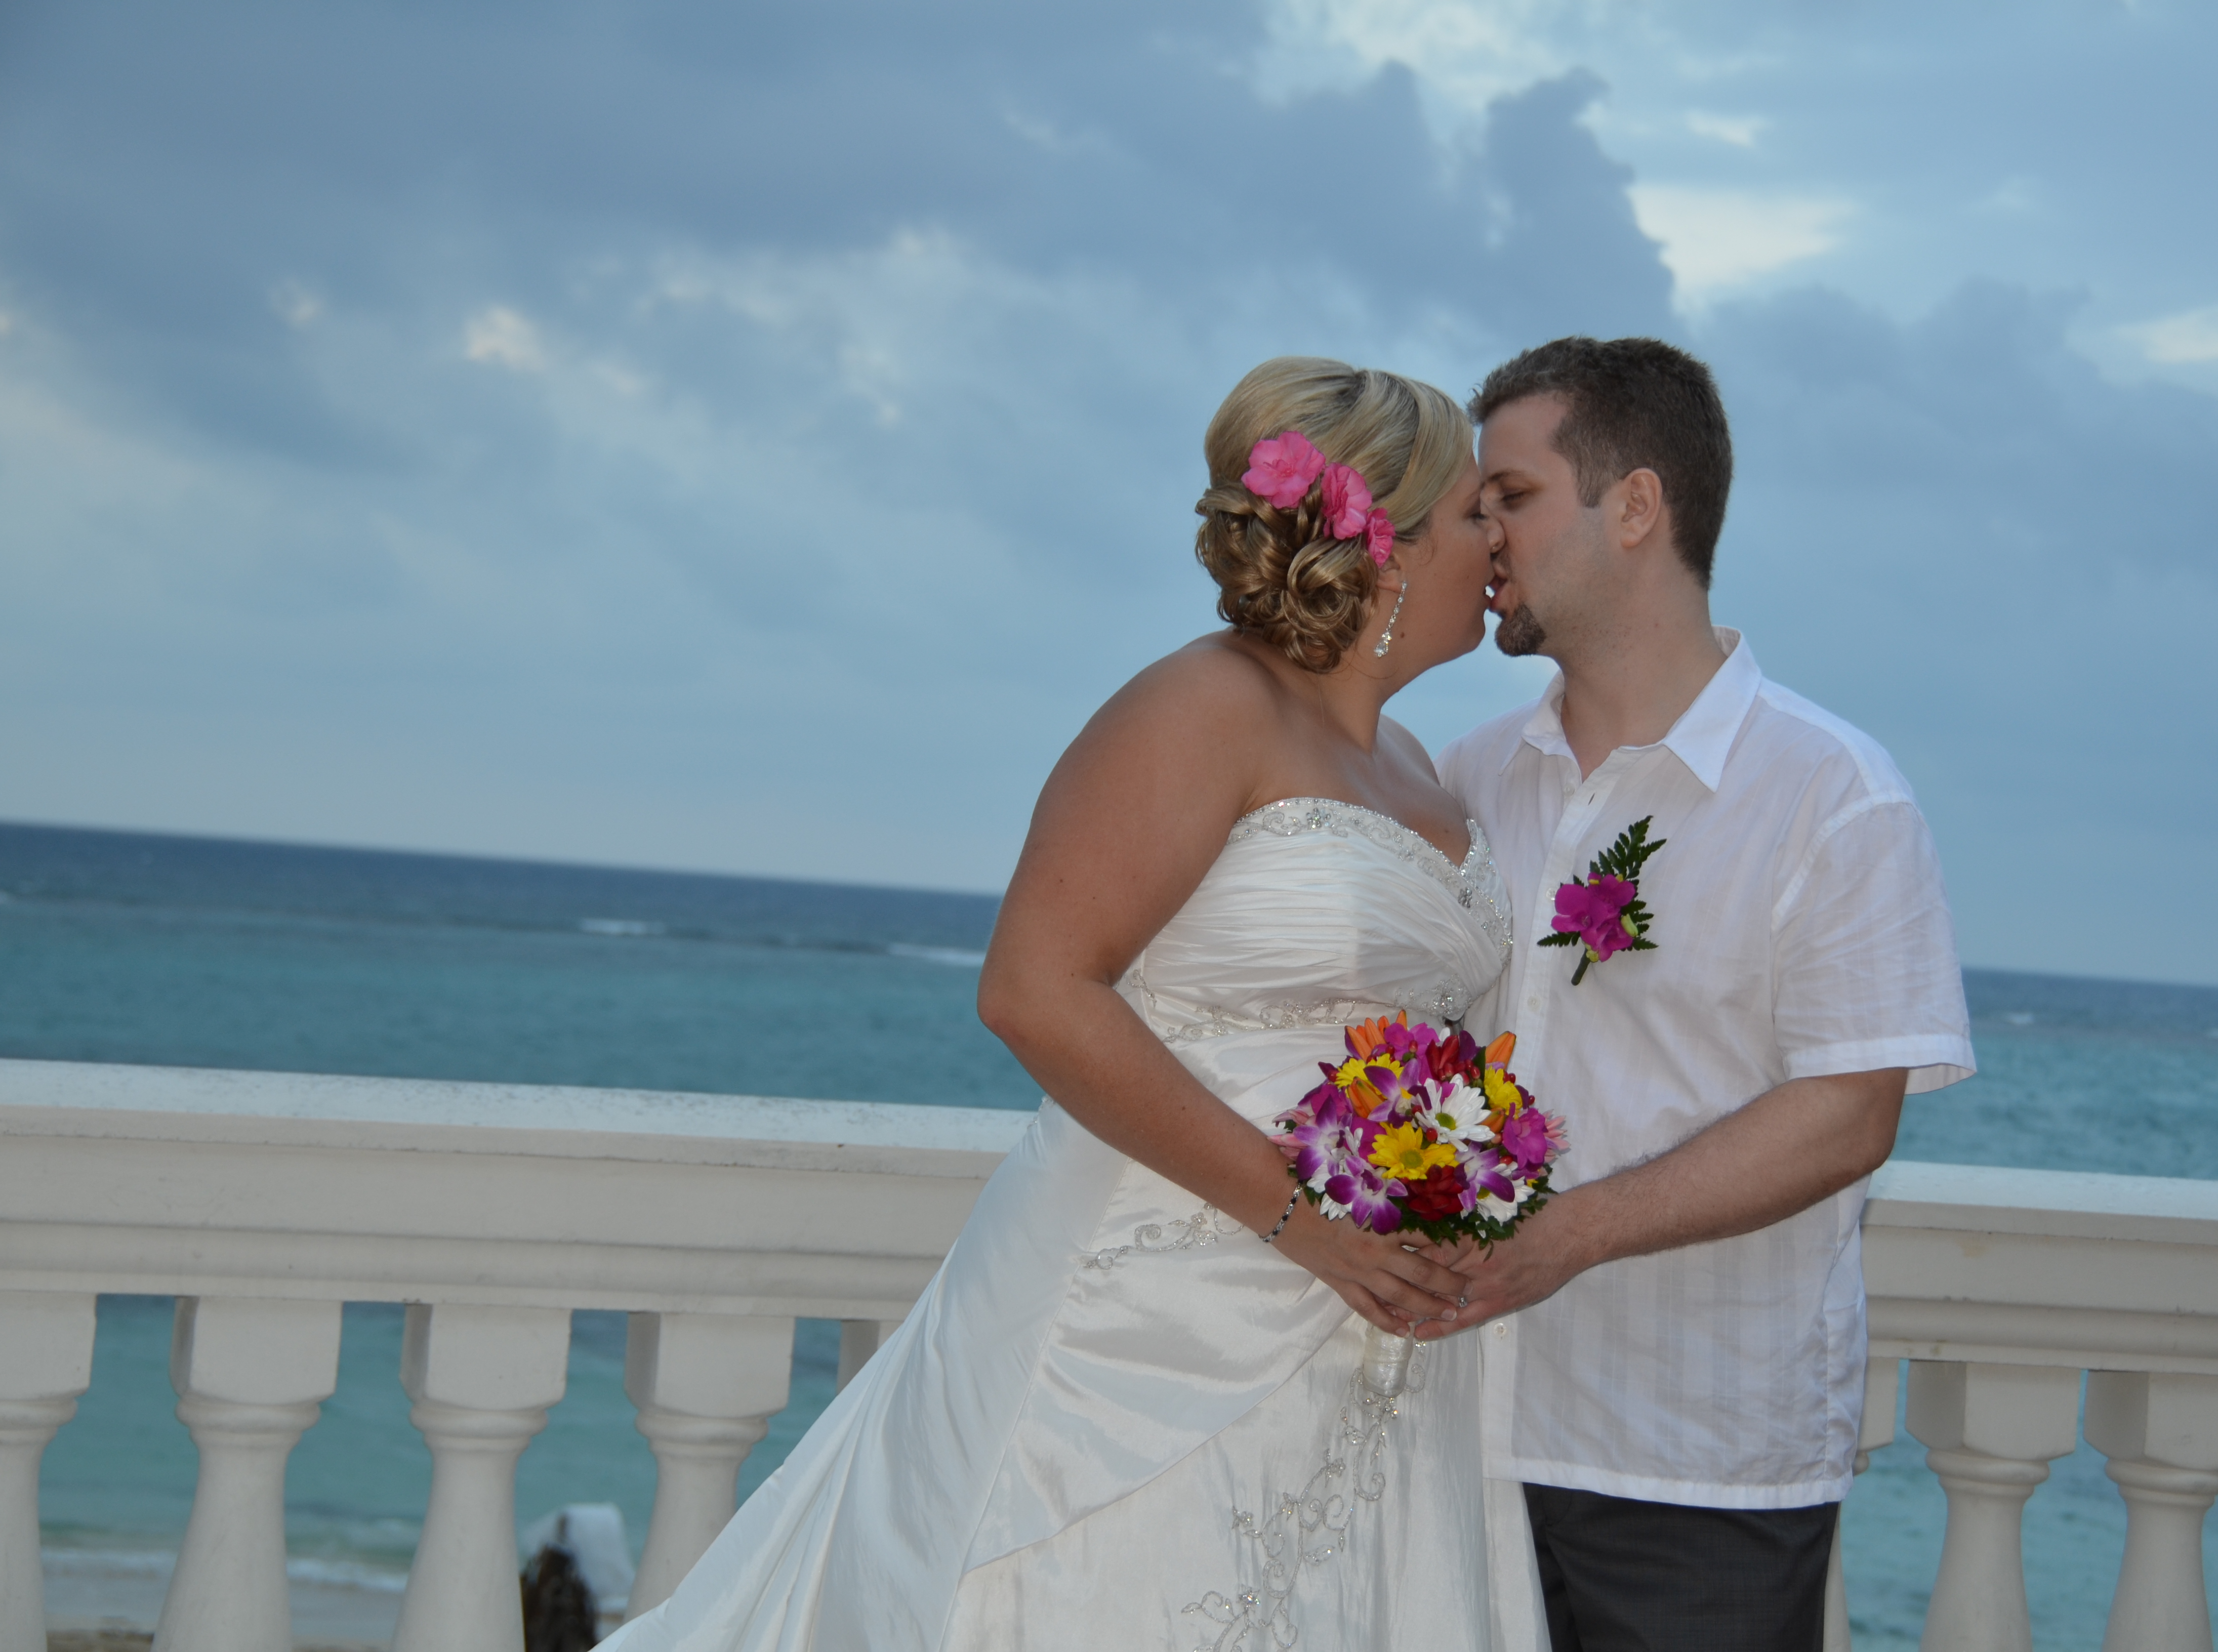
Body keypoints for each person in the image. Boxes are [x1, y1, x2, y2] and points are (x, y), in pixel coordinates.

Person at [603, 357, 1546, 1651]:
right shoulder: (1202, 706)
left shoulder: (1414, 765)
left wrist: (1445, 1185)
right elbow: (1036, 991)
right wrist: (1305, 1219)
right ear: (1384, 542)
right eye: (1471, 514)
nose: (1496, 541)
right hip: (1147, 1319)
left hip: (1361, 1319)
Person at [1427, 336, 1976, 1652]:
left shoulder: (1834, 797)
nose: (1481, 534)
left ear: (1635, 507)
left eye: (1512, 496)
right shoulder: (1466, 777)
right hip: (1450, 1443)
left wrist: (1567, 1235)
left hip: (1696, 1470)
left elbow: (1848, 1114)